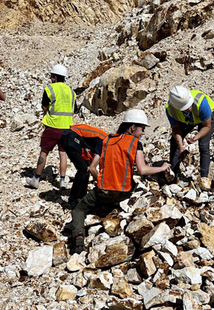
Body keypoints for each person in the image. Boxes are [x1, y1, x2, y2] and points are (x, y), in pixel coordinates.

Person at [70, 109, 171, 254]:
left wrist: (100, 180)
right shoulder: (136, 143)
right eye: (142, 129)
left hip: (103, 191)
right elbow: (142, 170)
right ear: (132, 127)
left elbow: (92, 166)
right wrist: (161, 168)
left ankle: (78, 235)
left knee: (79, 209)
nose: (142, 133)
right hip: (123, 193)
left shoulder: (106, 140)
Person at [26, 64, 77, 189]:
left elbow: (44, 106)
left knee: (44, 152)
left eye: (51, 76)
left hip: (52, 126)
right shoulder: (71, 92)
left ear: (54, 77)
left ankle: (36, 179)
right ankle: (63, 180)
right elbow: (74, 109)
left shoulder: (50, 89)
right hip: (67, 127)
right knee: (63, 154)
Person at [166, 85, 214, 178]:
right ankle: (173, 175)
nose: (188, 108)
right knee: (175, 143)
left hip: (205, 120)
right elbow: (175, 129)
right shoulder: (171, 109)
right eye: (184, 108)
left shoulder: (201, 103)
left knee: (203, 145)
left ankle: (204, 178)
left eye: (189, 105)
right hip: (186, 120)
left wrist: (196, 137)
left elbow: (207, 126)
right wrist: (181, 147)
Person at [59, 124, 108, 209]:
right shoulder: (104, 142)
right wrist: (101, 185)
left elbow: (91, 162)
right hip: (69, 135)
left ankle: (82, 196)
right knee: (82, 169)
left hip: (71, 135)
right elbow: (93, 168)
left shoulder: (103, 139)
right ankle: (72, 201)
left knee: (85, 169)